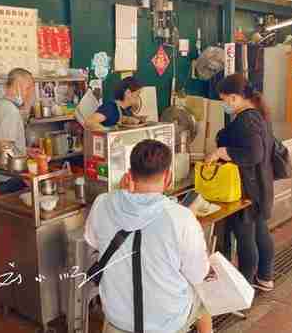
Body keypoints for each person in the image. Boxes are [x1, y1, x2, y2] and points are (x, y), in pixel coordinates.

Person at [85, 140, 213, 333]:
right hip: (167, 323)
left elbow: (93, 241)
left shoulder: (102, 203)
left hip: (117, 320)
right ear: (168, 178)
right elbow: (198, 274)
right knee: (205, 299)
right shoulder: (181, 217)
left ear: (129, 175)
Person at [205, 73, 275, 292]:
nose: (224, 104)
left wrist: (223, 151)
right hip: (260, 185)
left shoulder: (247, 119)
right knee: (260, 233)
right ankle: (264, 277)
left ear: (234, 98)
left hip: (248, 189)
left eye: (224, 100)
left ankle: (243, 289)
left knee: (246, 239)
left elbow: (253, 154)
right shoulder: (257, 115)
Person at [0, 68, 36, 194]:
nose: (29, 94)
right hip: (10, 178)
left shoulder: (1, 105)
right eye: (28, 88)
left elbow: (9, 144)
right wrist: (25, 177)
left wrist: (27, 151)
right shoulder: (11, 111)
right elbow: (5, 147)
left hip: (5, 177)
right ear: (17, 87)